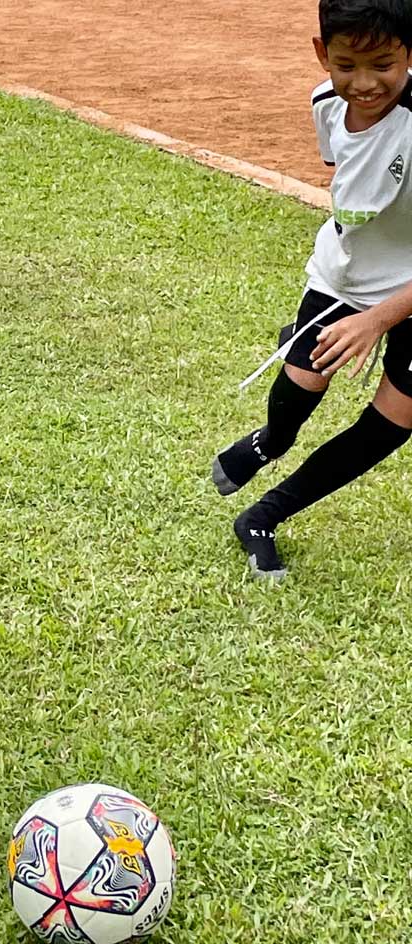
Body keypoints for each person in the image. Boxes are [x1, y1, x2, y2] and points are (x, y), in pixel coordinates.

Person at [212, 0, 412, 580]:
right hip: (342, 275)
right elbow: (349, 176)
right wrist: (357, 298)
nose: (364, 83)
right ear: (323, 54)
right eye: (346, 64)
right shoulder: (327, 103)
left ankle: (263, 517)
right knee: (302, 385)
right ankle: (269, 441)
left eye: (383, 65)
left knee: (395, 421)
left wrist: (377, 320)